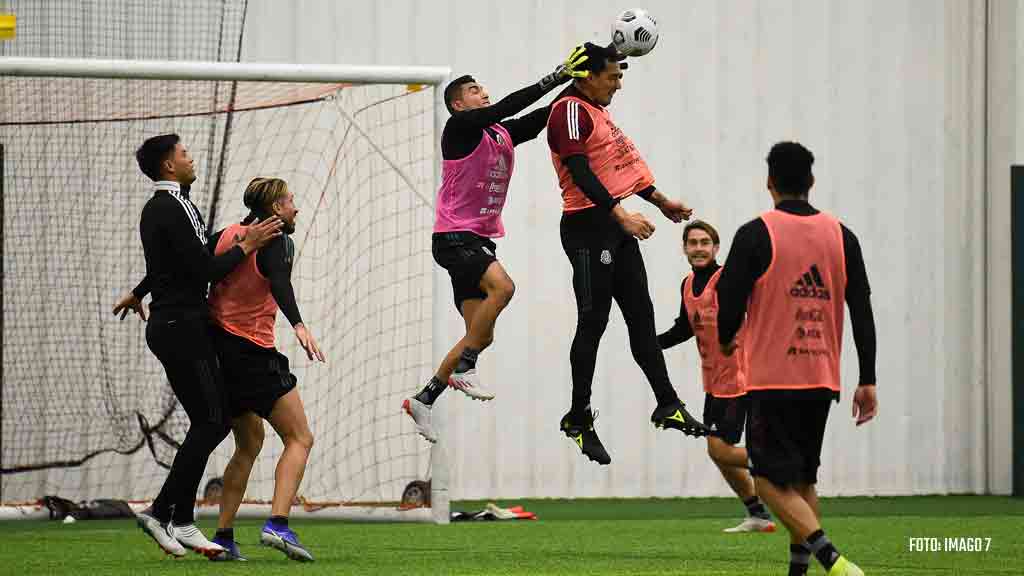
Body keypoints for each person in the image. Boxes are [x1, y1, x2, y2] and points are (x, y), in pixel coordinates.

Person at [403, 46, 590, 443]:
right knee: (503, 288)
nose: (482, 91)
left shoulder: (499, 133)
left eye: (481, 87)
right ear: (457, 104)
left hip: (477, 240)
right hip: (454, 237)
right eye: (473, 89)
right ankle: (465, 368)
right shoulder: (459, 129)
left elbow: (540, 118)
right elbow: (501, 108)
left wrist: (578, 84)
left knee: (480, 334)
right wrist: (552, 77)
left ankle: (425, 398)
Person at [113, 134, 281, 558]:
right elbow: (205, 266)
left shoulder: (160, 207)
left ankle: (182, 519)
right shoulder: (174, 205)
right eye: (184, 154)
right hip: (182, 327)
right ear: (169, 166)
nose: (191, 158)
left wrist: (139, 291)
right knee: (212, 422)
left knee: (210, 420)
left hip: (172, 324)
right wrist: (247, 245)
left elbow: (171, 263)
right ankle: (163, 512)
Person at [716, 142, 877, 576]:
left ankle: (835, 561)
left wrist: (727, 338)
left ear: (769, 183)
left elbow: (728, 300)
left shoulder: (756, 233)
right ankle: (798, 573)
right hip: (822, 376)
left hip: (773, 377)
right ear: (811, 182)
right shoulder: (842, 235)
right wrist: (868, 377)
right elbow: (860, 307)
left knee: (767, 479)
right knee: (803, 482)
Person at [545, 42, 707, 466]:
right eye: (613, 76)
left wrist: (661, 201)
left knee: (641, 315)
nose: (618, 85)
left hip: (614, 227)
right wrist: (621, 216)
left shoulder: (597, 112)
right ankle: (578, 417)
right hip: (587, 229)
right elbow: (580, 172)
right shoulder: (569, 110)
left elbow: (619, 167)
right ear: (588, 77)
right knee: (594, 322)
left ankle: (666, 403)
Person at [204, 177, 325, 562]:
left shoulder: (224, 236)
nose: (295, 208)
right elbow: (280, 283)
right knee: (300, 437)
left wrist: (141, 293)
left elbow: (193, 271)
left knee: (249, 444)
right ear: (275, 209)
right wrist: (299, 324)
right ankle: (278, 523)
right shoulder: (277, 240)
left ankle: (223, 537)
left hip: (219, 355)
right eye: (290, 200)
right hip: (253, 354)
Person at [658, 220, 775, 533]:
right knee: (719, 455)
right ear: (685, 248)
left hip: (740, 378)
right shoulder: (686, 284)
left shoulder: (729, 279)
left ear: (715, 247)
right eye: (693, 242)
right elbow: (685, 327)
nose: (698, 248)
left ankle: (779, 463)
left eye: (704, 242)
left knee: (719, 449)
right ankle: (758, 514)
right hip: (714, 381)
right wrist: (651, 344)